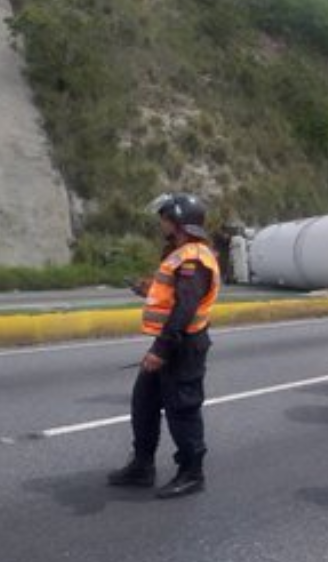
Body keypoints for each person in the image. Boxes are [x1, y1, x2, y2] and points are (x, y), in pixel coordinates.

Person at [108, 193, 221, 498]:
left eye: (165, 218)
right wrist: (148, 288)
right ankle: (142, 466)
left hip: (182, 345)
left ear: (179, 221)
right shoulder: (179, 252)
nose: (161, 223)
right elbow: (174, 296)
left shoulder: (194, 257)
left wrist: (160, 350)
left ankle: (192, 473)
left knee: (182, 411)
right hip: (173, 341)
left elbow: (184, 309)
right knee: (143, 403)